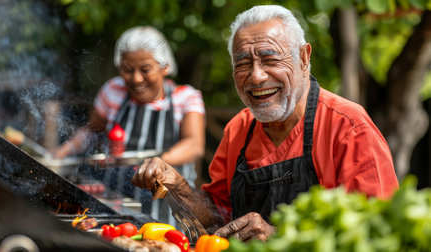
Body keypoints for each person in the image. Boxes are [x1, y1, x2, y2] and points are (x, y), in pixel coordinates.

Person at [131, 4, 399, 241]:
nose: (256, 76)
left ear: (304, 58)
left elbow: (378, 234)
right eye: (243, 63)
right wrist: (178, 187)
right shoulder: (238, 128)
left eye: (270, 59)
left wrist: (277, 237)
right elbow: (217, 220)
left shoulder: (349, 128)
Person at [52, 26, 206, 225]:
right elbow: (93, 130)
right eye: (127, 70)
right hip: (114, 207)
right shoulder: (113, 90)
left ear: (165, 67)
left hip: (167, 212)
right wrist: (62, 152)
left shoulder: (185, 98)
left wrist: (159, 163)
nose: (136, 79)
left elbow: (194, 144)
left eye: (145, 69)